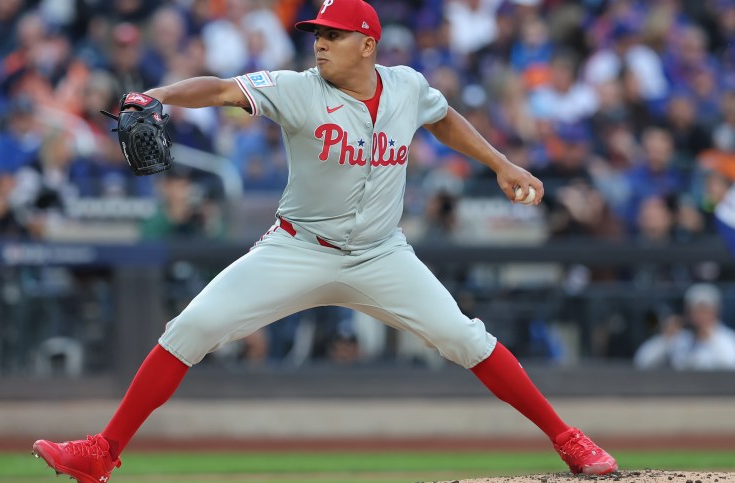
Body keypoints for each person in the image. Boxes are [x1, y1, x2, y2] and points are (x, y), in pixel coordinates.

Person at [31, 1, 618, 481]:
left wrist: (500, 163)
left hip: (382, 253)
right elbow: (219, 89)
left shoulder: (407, 86)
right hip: (297, 247)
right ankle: (101, 453)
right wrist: (155, 95)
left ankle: (568, 439)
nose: (319, 42)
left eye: (333, 34)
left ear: (368, 44)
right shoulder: (297, 88)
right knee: (191, 328)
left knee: (464, 338)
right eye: (316, 33)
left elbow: (441, 117)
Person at [634, 283, 735, 370]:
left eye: (704, 310)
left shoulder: (728, 338)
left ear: (716, 311)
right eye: (695, 310)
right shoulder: (681, 337)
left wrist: (710, 338)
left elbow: (730, 363)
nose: (699, 315)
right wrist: (665, 339)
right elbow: (642, 361)